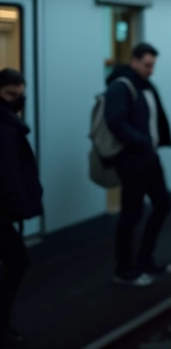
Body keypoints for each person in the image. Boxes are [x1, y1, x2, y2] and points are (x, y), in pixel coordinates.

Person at [105, 43, 171, 286]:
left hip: (149, 157)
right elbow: (115, 120)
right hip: (132, 159)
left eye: (153, 65)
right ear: (134, 61)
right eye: (147, 65)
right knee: (131, 213)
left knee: (163, 204)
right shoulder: (121, 86)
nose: (151, 70)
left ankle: (145, 259)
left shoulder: (145, 85)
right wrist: (142, 141)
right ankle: (124, 268)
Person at [0, 69, 42, 347]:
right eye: (10, 95)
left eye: (20, 95)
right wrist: (20, 205)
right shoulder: (4, 127)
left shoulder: (8, 123)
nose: (16, 100)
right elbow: (8, 173)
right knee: (18, 260)